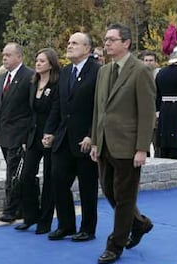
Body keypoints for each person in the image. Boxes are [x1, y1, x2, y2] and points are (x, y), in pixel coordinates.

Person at [90, 23, 155, 264]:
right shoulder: (104, 71)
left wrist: (142, 147)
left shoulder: (140, 71)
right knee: (109, 191)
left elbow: (147, 113)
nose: (106, 43)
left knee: (125, 197)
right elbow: (99, 110)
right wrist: (96, 141)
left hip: (128, 146)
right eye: (105, 39)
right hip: (106, 144)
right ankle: (139, 223)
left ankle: (115, 245)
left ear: (126, 43)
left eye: (111, 40)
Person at [42, 32, 99, 242]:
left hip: (84, 140)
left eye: (74, 43)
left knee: (87, 187)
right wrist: (49, 131)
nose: (69, 46)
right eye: (68, 43)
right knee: (58, 181)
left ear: (87, 48)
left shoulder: (97, 72)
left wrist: (92, 135)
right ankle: (66, 225)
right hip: (63, 138)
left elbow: (99, 108)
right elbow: (57, 104)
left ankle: (87, 228)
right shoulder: (66, 72)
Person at [14, 48, 59, 234]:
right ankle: (30, 215)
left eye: (42, 61)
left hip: (50, 136)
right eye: (37, 60)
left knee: (49, 179)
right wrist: (25, 137)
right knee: (26, 176)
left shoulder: (57, 84)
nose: (38, 63)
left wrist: (50, 132)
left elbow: (57, 110)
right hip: (33, 135)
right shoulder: (33, 83)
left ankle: (45, 220)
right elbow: (28, 112)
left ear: (51, 63)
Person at [0, 42, 34, 223]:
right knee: (11, 170)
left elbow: (31, 108)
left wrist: (27, 135)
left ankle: (11, 209)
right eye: (3, 55)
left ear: (19, 57)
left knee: (13, 172)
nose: (5, 58)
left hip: (20, 133)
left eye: (8, 55)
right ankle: (20, 208)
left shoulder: (29, 76)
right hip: (4, 133)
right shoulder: (2, 79)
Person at [139, 50, 160, 157]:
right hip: (142, 116)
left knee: (157, 145)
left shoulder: (160, 76)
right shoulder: (138, 76)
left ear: (156, 62)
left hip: (157, 116)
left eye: (151, 60)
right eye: (146, 60)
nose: (148, 62)